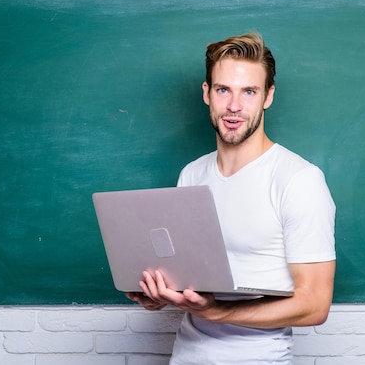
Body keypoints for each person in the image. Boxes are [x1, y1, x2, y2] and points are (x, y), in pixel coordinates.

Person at [127, 32, 336, 364]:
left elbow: (314, 305)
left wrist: (216, 311)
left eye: (249, 91)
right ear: (207, 94)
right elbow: (189, 279)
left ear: (268, 96)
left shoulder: (299, 180)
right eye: (223, 89)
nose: (234, 106)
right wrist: (160, 297)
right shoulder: (191, 175)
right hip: (185, 356)